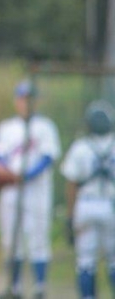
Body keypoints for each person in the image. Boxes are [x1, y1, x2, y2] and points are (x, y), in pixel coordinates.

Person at [0, 79, 61, 299]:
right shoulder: (6, 127)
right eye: (22, 98)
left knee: (38, 238)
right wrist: (11, 175)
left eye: (30, 99)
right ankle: (15, 288)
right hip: (11, 190)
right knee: (11, 240)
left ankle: (40, 287)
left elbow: (48, 157)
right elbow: (0, 157)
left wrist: (26, 175)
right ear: (17, 101)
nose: (26, 103)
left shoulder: (45, 126)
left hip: (37, 190)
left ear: (37, 102)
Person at [60, 100, 115, 299]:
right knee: (113, 259)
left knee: (85, 260)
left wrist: (70, 216)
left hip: (86, 205)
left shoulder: (80, 147)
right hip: (111, 205)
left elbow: (71, 184)